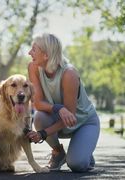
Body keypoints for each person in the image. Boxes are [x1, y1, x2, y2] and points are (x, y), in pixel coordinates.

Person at [26, 33, 100, 172]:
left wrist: (42, 134)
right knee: (40, 117)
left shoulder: (69, 74)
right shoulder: (33, 67)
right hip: (59, 118)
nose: (29, 53)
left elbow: (70, 118)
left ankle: (84, 153)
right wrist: (58, 108)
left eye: (34, 49)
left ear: (46, 55)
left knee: (77, 164)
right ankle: (58, 152)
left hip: (84, 123)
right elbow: (38, 103)